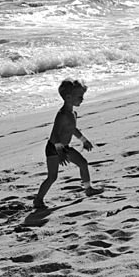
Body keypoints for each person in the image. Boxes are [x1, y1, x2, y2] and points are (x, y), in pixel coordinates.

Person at [33, 78, 101, 209]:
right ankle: (38, 200)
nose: (82, 99)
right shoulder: (62, 115)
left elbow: (72, 129)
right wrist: (59, 152)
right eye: (80, 96)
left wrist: (84, 141)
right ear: (68, 97)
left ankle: (88, 189)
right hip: (54, 148)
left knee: (83, 163)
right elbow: (55, 135)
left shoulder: (73, 113)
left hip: (64, 147)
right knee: (52, 177)